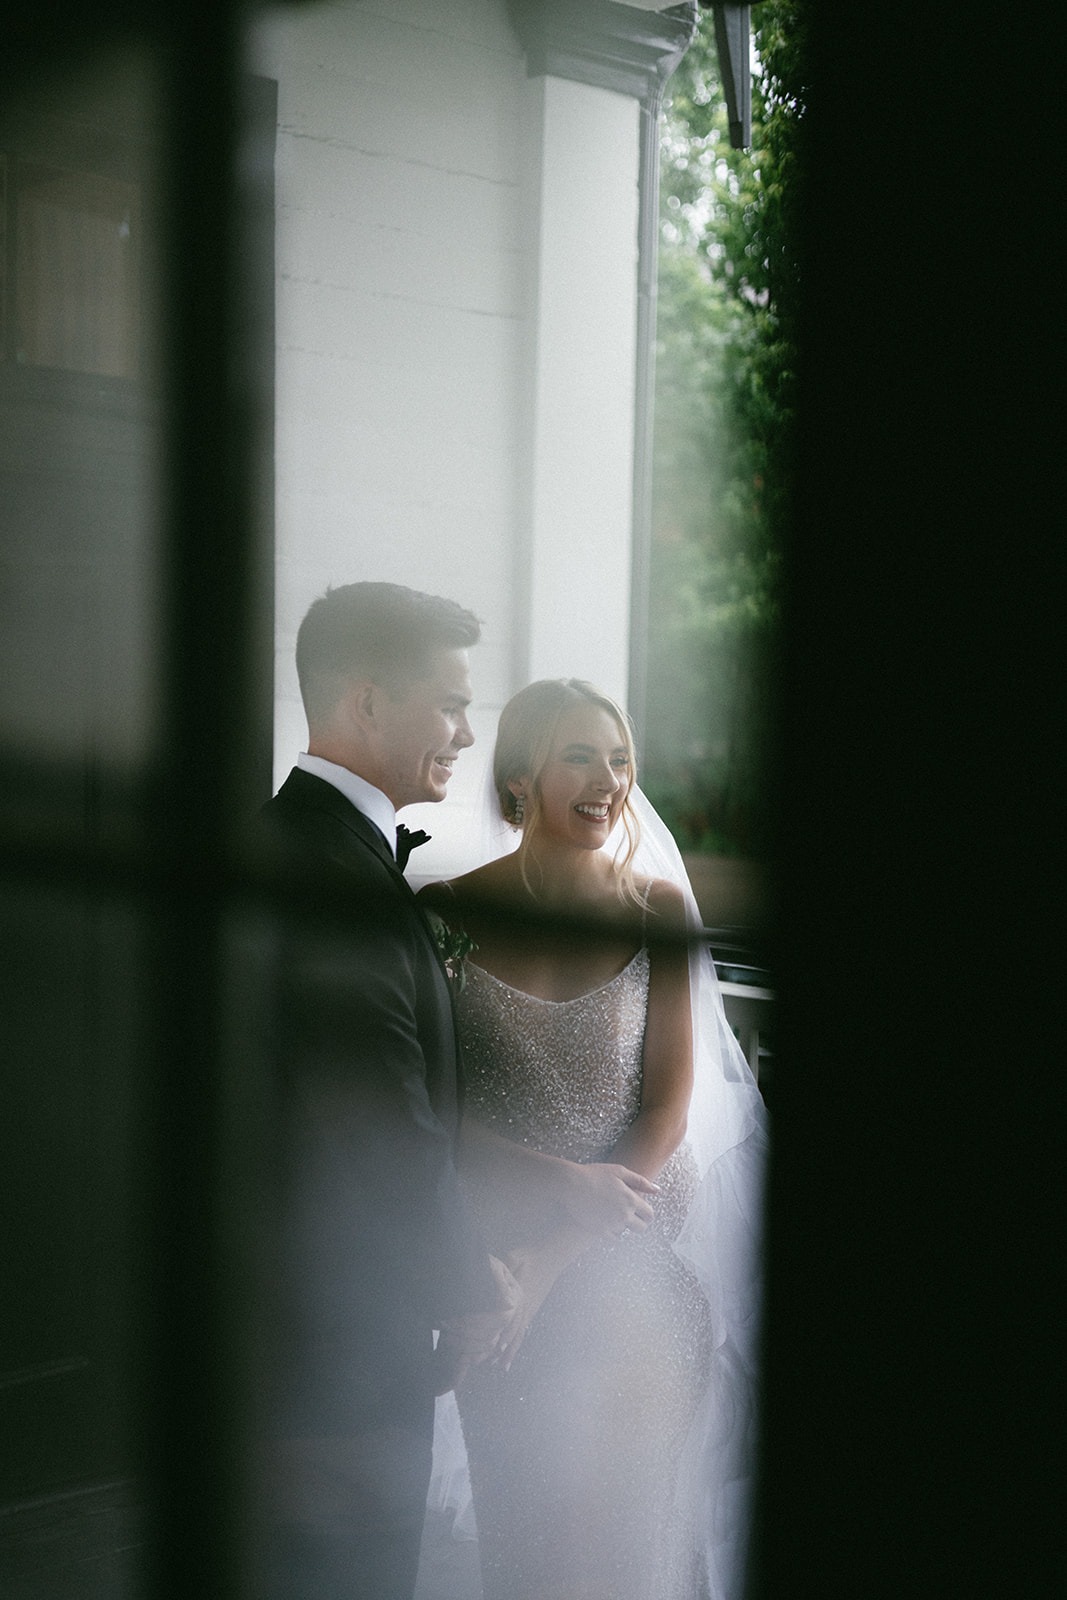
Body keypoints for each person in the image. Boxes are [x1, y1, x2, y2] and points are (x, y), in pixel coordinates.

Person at [420, 678, 768, 1600]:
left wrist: (555, 1253)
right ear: (520, 775)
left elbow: (666, 1109)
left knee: (623, 1548)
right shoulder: (443, 913)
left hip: (633, 1265)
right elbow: (428, 1107)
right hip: (498, 1276)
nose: (607, 779)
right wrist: (543, 1206)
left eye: (619, 759)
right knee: (526, 1543)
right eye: (580, 754)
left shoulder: (656, 911)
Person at [257, 582, 524, 1600]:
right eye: (450, 703)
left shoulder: (287, 840)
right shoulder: (336, 879)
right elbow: (383, 1128)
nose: (465, 732)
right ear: (367, 704)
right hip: (337, 1344)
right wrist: (459, 1288)